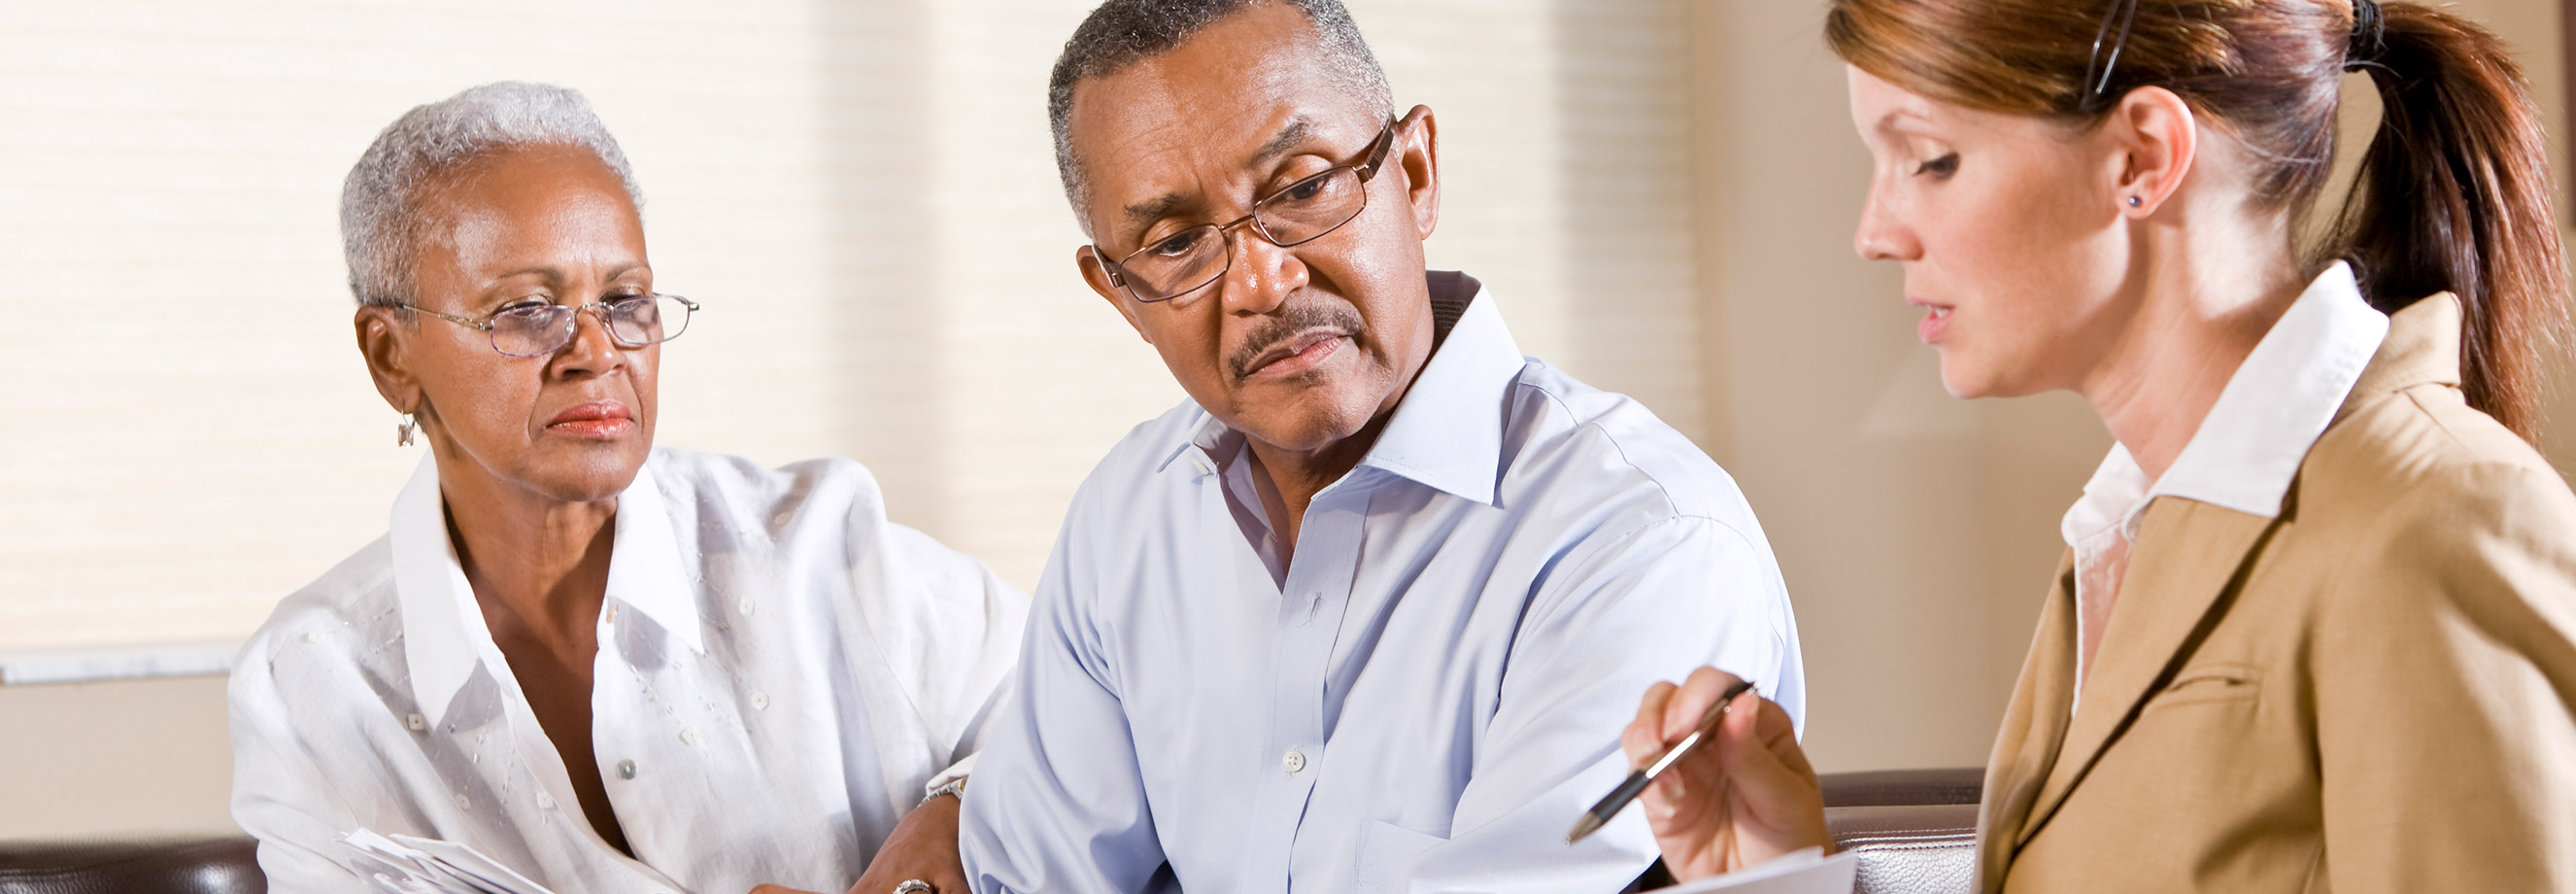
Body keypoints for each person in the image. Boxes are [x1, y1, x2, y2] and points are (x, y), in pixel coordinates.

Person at [1625, 0, 2576, 891]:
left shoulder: (2437, 534)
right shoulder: (2130, 535)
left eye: (1931, 160)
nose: (1876, 229)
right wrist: (1777, 867)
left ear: (2142, 156)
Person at [955, 1, 1805, 891]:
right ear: (1122, 295)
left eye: (1301, 188)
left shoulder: (1638, 542)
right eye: (1173, 243)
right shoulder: (1128, 515)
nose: (1262, 280)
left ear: (1415, 170)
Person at [227, 82, 1026, 894]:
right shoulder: (313, 686)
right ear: (392, 358)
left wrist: (956, 811)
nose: (597, 351)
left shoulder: (824, 550)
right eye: (528, 308)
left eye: (623, 300)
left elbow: (1094, 712)